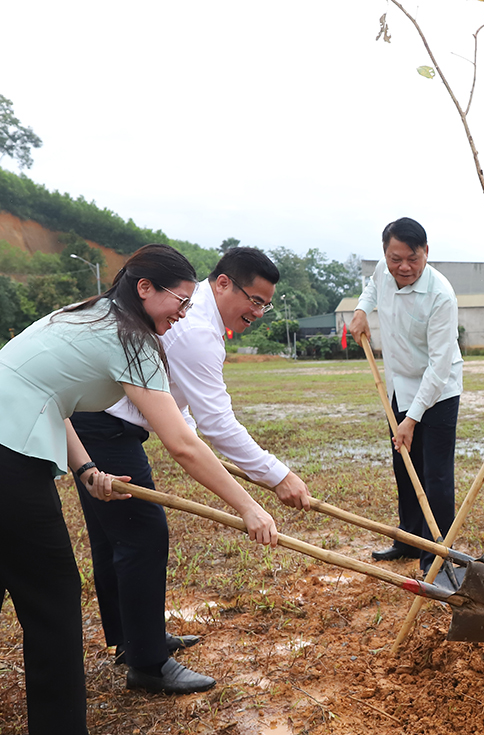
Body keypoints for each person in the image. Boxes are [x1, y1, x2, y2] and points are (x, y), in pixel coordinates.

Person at [0, 244, 278, 735]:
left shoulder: (87, 314)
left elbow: (51, 396)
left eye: (191, 305)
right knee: (53, 596)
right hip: (8, 456)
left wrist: (85, 470)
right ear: (144, 288)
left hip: (12, 440)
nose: (183, 314)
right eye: (180, 301)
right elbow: (184, 445)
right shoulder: (133, 338)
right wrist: (250, 507)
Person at [69, 246, 311, 696]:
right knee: (142, 536)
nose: (257, 311)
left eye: (265, 304)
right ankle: (148, 664)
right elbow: (215, 426)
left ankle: (134, 639)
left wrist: (260, 471)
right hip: (105, 427)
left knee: (114, 537)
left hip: (94, 421)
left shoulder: (191, 315)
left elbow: (199, 418)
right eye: (253, 300)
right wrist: (277, 477)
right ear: (222, 283)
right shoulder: (196, 328)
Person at [349, 217, 463, 576]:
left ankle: (437, 553)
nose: (404, 267)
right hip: (398, 387)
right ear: (386, 254)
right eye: (396, 258)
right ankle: (409, 539)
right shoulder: (385, 270)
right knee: (404, 466)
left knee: (436, 475)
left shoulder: (441, 295)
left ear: (426, 252)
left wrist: (411, 419)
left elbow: (438, 366)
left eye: (412, 258)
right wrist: (361, 311)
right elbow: (371, 286)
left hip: (438, 391)